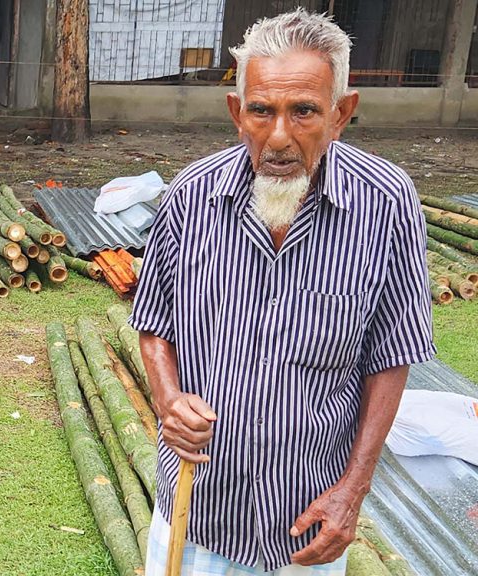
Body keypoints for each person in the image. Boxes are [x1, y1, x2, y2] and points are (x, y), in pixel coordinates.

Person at [130, 8, 435, 576]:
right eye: (261, 110)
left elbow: (392, 356)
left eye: (304, 112)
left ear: (342, 114)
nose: (278, 137)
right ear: (235, 112)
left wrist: (355, 488)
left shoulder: (387, 203)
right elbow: (154, 321)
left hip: (307, 519)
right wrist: (169, 399)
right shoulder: (190, 197)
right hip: (199, 507)